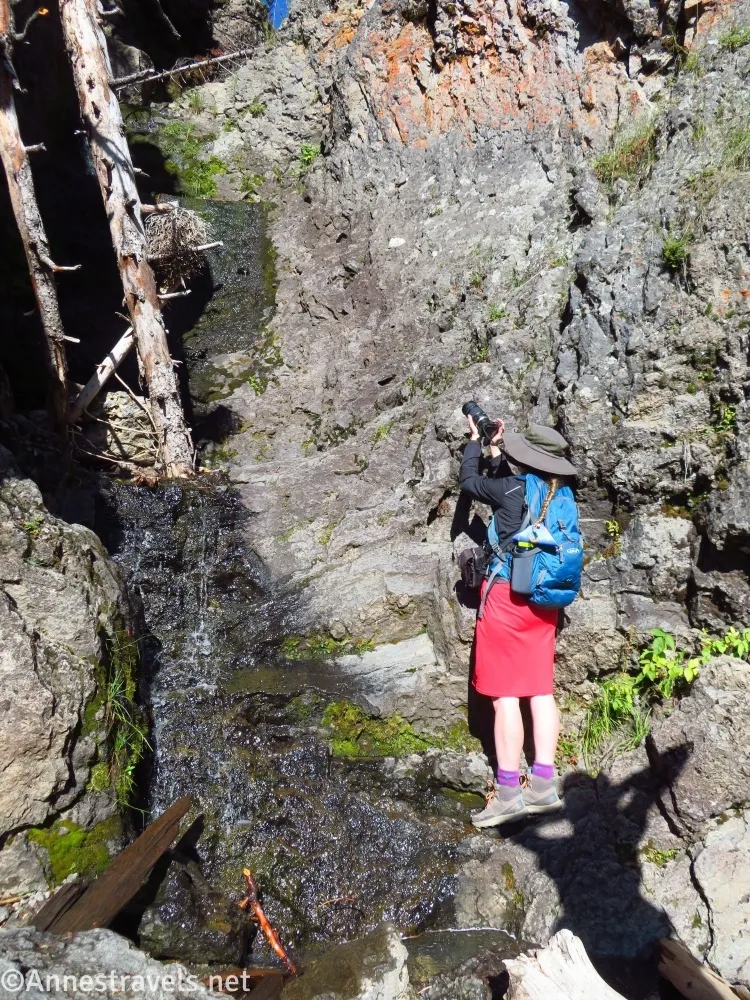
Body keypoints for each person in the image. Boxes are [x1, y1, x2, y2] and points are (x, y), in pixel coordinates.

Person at [459, 414, 578, 827]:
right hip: (544, 604)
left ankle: (508, 792)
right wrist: (498, 449)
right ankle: (544, 784)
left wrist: (475, 444)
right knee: (540, 690)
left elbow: (469, 483)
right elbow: (517, 495)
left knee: (505, 696)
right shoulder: (562, 496)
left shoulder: (511, 488)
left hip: (507, 601)